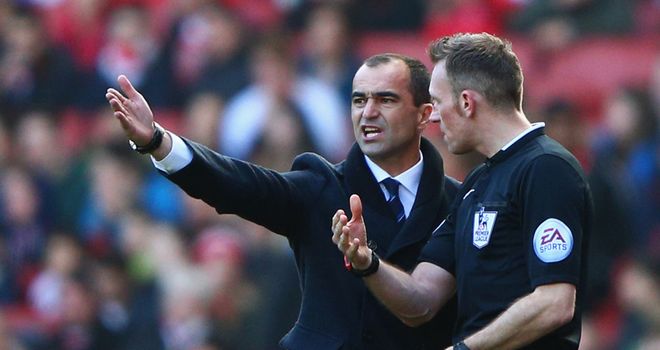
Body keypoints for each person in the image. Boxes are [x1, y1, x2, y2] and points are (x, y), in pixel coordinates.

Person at [105, 53, 460, 349]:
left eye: (386, 99)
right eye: (358, 100)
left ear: (424, 114)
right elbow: (236, 185)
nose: (367, 112)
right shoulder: (320, 186)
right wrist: (157, 142)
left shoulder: (460, 201)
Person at [333, 33, 592, 350]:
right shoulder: (476, 184)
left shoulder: (546, 169)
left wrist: (465, 349)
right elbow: (422, 300)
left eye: (438, 102)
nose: (435, 116)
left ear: (467, 103)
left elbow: (555, 303)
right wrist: (366, 262)